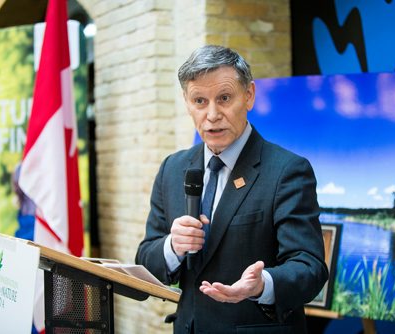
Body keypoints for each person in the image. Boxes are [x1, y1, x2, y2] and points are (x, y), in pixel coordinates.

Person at [135, 45, 328, 333]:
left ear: (248, 95)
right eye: (199, 100)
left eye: (224, 98)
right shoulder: (172, 170)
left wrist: (263, 285)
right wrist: (172, 247)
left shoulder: (287, 170)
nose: (212, 114)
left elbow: (310, 267)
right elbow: (145, 259)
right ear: (187, 103)